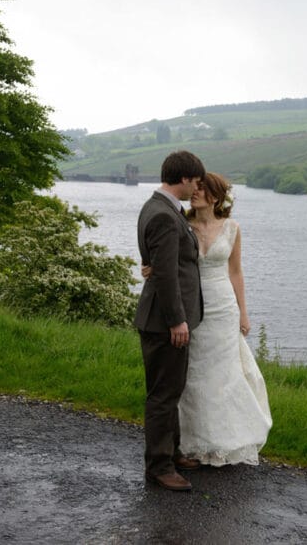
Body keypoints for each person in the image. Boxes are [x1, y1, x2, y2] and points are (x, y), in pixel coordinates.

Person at [144, 172, 272, 467]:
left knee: (222, 376)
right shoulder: (182, 224)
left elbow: (236, 272)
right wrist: (150, 268)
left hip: (223, 308)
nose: (195, 193)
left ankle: (223, 442)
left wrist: (243, 312)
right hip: (190, 307)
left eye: (202, 189)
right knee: (193, 376)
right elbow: (165, 258)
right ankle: (189, 442)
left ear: (215, 196)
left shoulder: (232, 228)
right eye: (195, 188)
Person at [134, 150, 206, 492]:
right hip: (164, 321)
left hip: (163, 318)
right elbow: (164, 274)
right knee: (163, 394)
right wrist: (178, 320)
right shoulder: (163, 214)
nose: (197, 189)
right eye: (195, 182)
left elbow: (161, 265)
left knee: (171, 389)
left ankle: (172, 452)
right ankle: (159, 467)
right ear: (183, 178)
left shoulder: (157, 207)